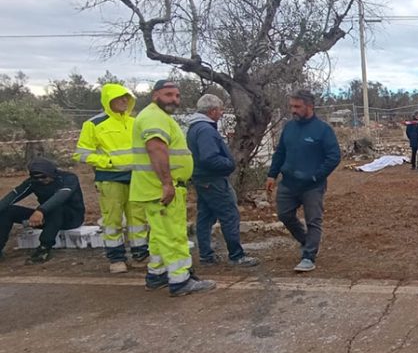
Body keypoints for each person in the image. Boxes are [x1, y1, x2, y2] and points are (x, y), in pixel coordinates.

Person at [131, 79, 215, 297]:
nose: (174, 100)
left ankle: (157, 274)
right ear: (155, 95)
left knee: (160, 235)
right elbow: (156, 149)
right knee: (173, 235)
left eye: (177, 95)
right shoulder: (153, 117)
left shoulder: (157, 116)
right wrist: (167, 183)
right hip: (162, 188)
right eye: (168, 95)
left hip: (155, 188)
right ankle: (180, 280)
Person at [73, 83, 148, 274]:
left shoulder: (135, 122)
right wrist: (107, 161)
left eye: (127, 98)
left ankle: (141, 255)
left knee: (138, 219)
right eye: (120, 97)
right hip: (110, 178)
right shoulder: (94, 124)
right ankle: (116, 259)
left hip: (136, 177)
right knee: (112, 220)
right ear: (109, 100)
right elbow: (81, 154)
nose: (124, 101)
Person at [265, 89, 341, 273]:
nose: (293, 110)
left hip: (312, 186)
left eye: (297, 107)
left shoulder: (323, 130)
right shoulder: (289, 128)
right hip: (288, 183)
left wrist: (316, 176)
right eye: (292, 106)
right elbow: (280, 152)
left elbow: (334, 156)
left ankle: (308, 256)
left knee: (313, 220)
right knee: (284, 215)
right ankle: (306, 241)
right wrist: (272, 175)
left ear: (309, 106)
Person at [187, 94, 259, 268]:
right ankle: (236, 255)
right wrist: (229, 164)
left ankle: (206, 255)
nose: (221, 112)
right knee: (229, 214)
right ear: (212, 111)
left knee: (205, 216)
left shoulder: (195, 127)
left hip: (202, 178)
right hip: (214, 179)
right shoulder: (205, 130)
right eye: (220, 109)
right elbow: (209, 158)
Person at [0, 158, 85, 264]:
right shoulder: (33, 182)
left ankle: (44, 248)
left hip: (71, 218)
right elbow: (14, 195)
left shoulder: (68, 178)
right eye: (37, 178)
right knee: (7, 211)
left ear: (51, 173)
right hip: (46, 217)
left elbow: (61, 196)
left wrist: (40, 211)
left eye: (44, 177)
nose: (41, 180)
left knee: (56, 208)